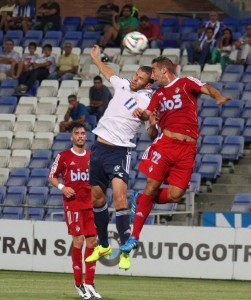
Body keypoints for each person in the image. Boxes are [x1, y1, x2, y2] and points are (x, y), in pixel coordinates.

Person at [120, 55, 231, 254]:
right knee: (152, 186)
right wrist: (151, 123)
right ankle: (134, 237)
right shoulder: (157, 95)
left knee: (175, 195)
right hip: (166, 145)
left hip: (187, 149)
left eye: (153, 71)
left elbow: (207, 88)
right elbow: (151, 132)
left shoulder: (186, 83)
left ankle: (141, 199)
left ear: (164, 70)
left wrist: (218, 97)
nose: (151, 76)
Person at [84, 45, 154, 270]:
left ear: (148, 83)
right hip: (98, 148)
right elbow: (108, 73)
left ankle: (125, 249)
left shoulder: (148, 101)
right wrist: (95, 58)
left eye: (140, 78)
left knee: (120, 199)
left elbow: (151, 124)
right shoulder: (123, 84)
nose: (135, 80)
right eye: (135, 75)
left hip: (119, 151)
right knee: (97, 199)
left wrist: (146, 117)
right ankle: (103, 244)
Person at [48, 123, 102, 300]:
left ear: (86, 137)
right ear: (72, 137)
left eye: (83, 133)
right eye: (77, 133)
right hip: (73, 205)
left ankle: (90, 283)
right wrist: (63, 187)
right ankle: (78, 282)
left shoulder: (92, 157)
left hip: (90, 205)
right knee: (78, 241)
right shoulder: (63, 156)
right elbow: (52, 176)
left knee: (92, 242)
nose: (80, 136)